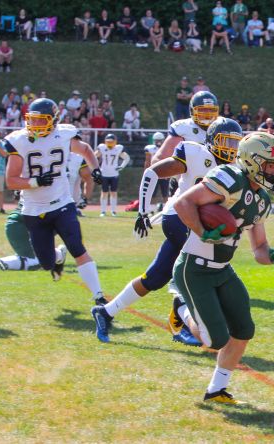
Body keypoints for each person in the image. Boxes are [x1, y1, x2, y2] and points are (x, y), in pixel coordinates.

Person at [91, 118, 244, 345]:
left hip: (195, 223)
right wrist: (143, 212)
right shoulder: (195, 153)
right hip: (177, 218)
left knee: (155, 277)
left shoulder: (234, 170)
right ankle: (178, 318)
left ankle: (105, 312)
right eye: (226, 142)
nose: (230, 149)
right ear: (212, 140)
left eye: (235, 144)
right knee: (195, 267)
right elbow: (152, 173)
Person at [171, 131, 274, 405]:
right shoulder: (229, 179)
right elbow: (183, 202)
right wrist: (202, 231)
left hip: (222, 270)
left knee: (244, 329)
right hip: (194, 268)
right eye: (270, 165)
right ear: (251, 161)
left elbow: (258, 248)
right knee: (214, 339)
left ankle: (217, 389)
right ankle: (181, 308)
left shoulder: (261, 201)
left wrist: (270, 254)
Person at [3, 98, 104, 299]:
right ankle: (58, 256)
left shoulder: (63, 135)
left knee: (77, 247)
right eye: (32, 120)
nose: (35, 125)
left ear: (54, 120)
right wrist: (35, 182)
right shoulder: (19, 140)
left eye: (41, 120)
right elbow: (11, 181)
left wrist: (95, 169)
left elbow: (84, 149)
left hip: (62, 203)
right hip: (33, 209)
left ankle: (99, 297)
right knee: (46, 263)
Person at [0, 195, 68, 272]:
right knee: (37, 262)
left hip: (17, 223)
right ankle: (1, 262)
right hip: (20, 224)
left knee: (34, 258)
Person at [155, 91, 219, 163]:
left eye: (211, 109)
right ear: (192, 110)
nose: (207, 114)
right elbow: (159, 159)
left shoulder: (222, 126)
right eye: (202, 109)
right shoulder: (183, 128)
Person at [95, 134, 130, 217]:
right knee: (104, 192)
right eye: (108, 142)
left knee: (113, 192)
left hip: (114, 174)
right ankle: (103, 211)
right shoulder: (102, 147)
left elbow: (127, 158)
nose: (110, 144)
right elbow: (93, 156)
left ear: (115, 142)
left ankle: (113, 211)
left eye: (111, 142)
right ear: (105, 142)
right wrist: (96, 167)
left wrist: (121, 166)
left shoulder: (118, 148)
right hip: (104, 173)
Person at [143, 132, 169, 211]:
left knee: (165, 193)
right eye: (157, 140)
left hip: (164, 173)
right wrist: (145, 173)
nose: (158, 142)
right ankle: (151, 210)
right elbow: (147, 162)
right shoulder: (150, 148)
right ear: (154, 140)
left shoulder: (166, 148)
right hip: (153, 173)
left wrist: (169, 173)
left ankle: (166, 209)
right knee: (152, 192)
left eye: (160, 140)